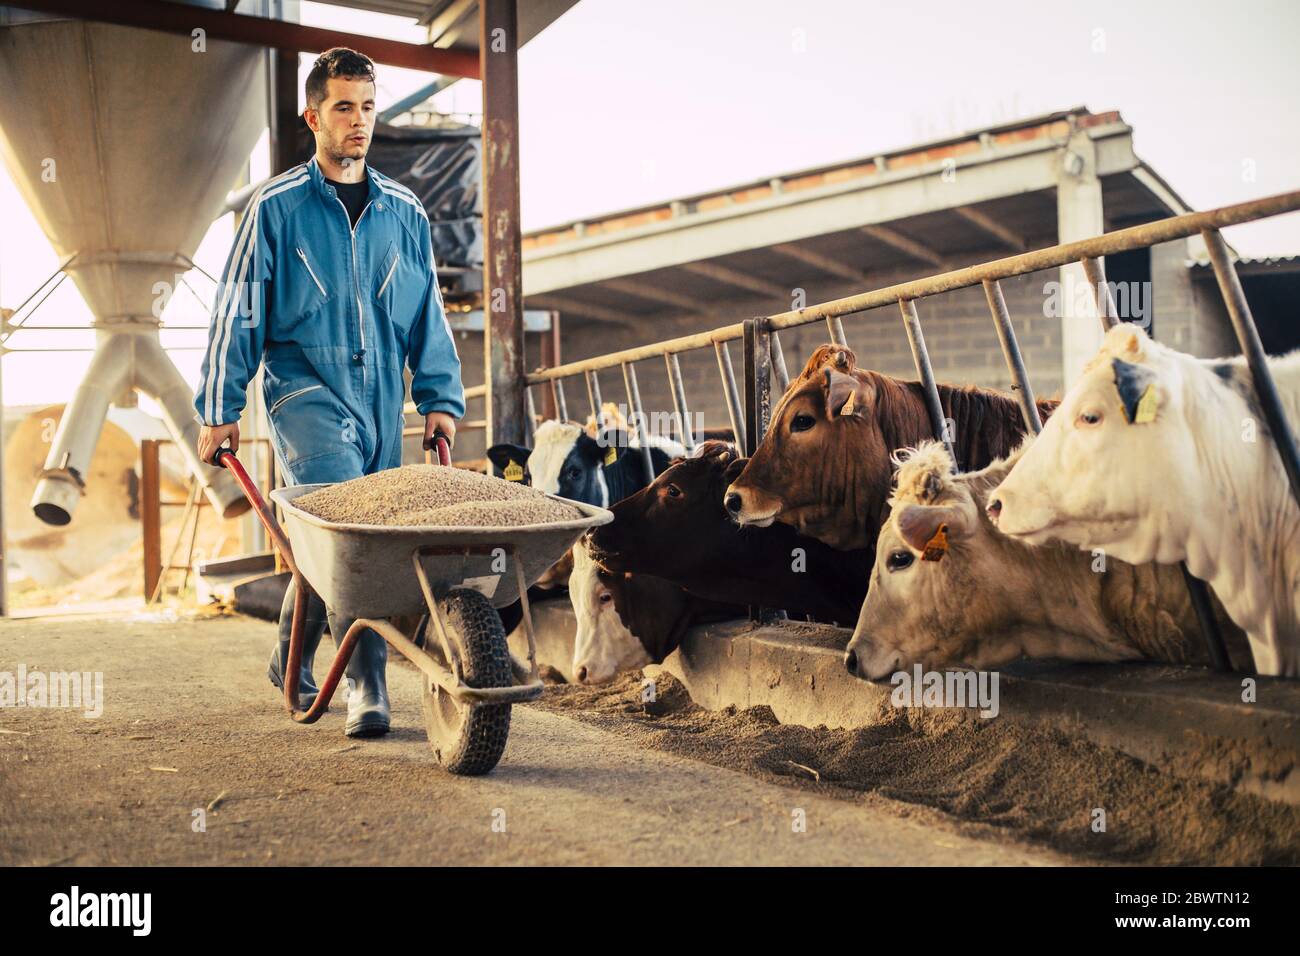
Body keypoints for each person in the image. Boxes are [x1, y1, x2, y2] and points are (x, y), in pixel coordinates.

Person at [193, 47, 465, 737]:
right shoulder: (276, 210)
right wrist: (218, 409)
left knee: (338, 541)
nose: (359, 122)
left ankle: (290, 643)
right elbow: (240, 308)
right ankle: (368, 684)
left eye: (368, 107)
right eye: (344, 107)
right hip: (301, 393)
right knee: (353, 532)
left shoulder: (404, 212)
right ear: (312, 116)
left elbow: (426, 311)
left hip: (380, 404)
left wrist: (439, 397)